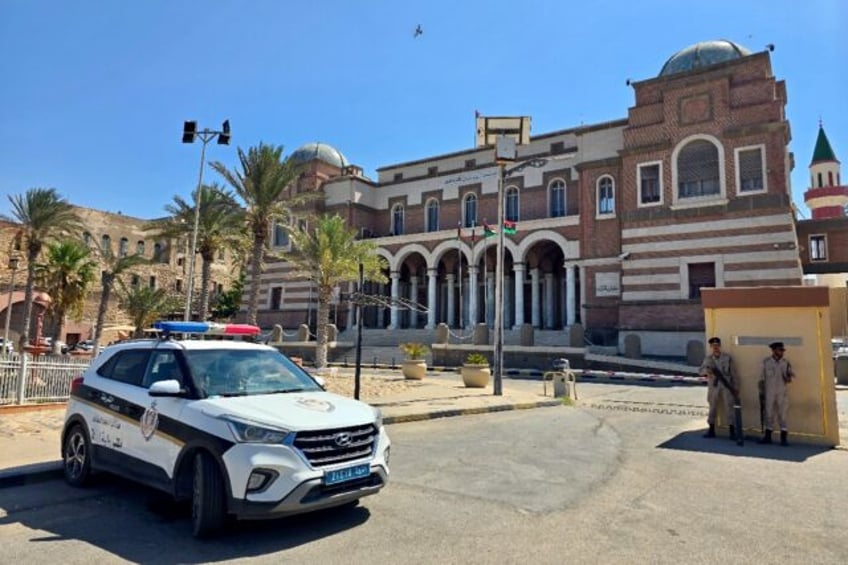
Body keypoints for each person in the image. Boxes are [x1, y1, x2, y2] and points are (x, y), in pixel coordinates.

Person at [699, 337, 739, 439]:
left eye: (717, 345)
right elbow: (700, 371)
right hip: (714, 386)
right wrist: (708, 371)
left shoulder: (727, 358)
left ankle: (732, 431)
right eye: (713, 346)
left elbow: (733, 373)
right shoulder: (708, 359)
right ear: (711, 347)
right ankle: (711, 430)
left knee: (729, 407)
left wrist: (736, 387)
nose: (715, 347)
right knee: (712, 407)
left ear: (720, 346)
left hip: (726, 386)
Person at [758, 341, 795, 446]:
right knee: (769, 414)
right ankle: (768, 436)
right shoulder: (766, 362)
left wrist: (789, 378)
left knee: (782, 415)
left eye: (782, 350)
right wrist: (761, 391)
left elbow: (791, 377)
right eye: (780, 350)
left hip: (782, 393)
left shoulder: (785, 363)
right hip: (769, 392)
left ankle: (783, 438)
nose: (782, 352)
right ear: (774, 350)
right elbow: (761, 378)